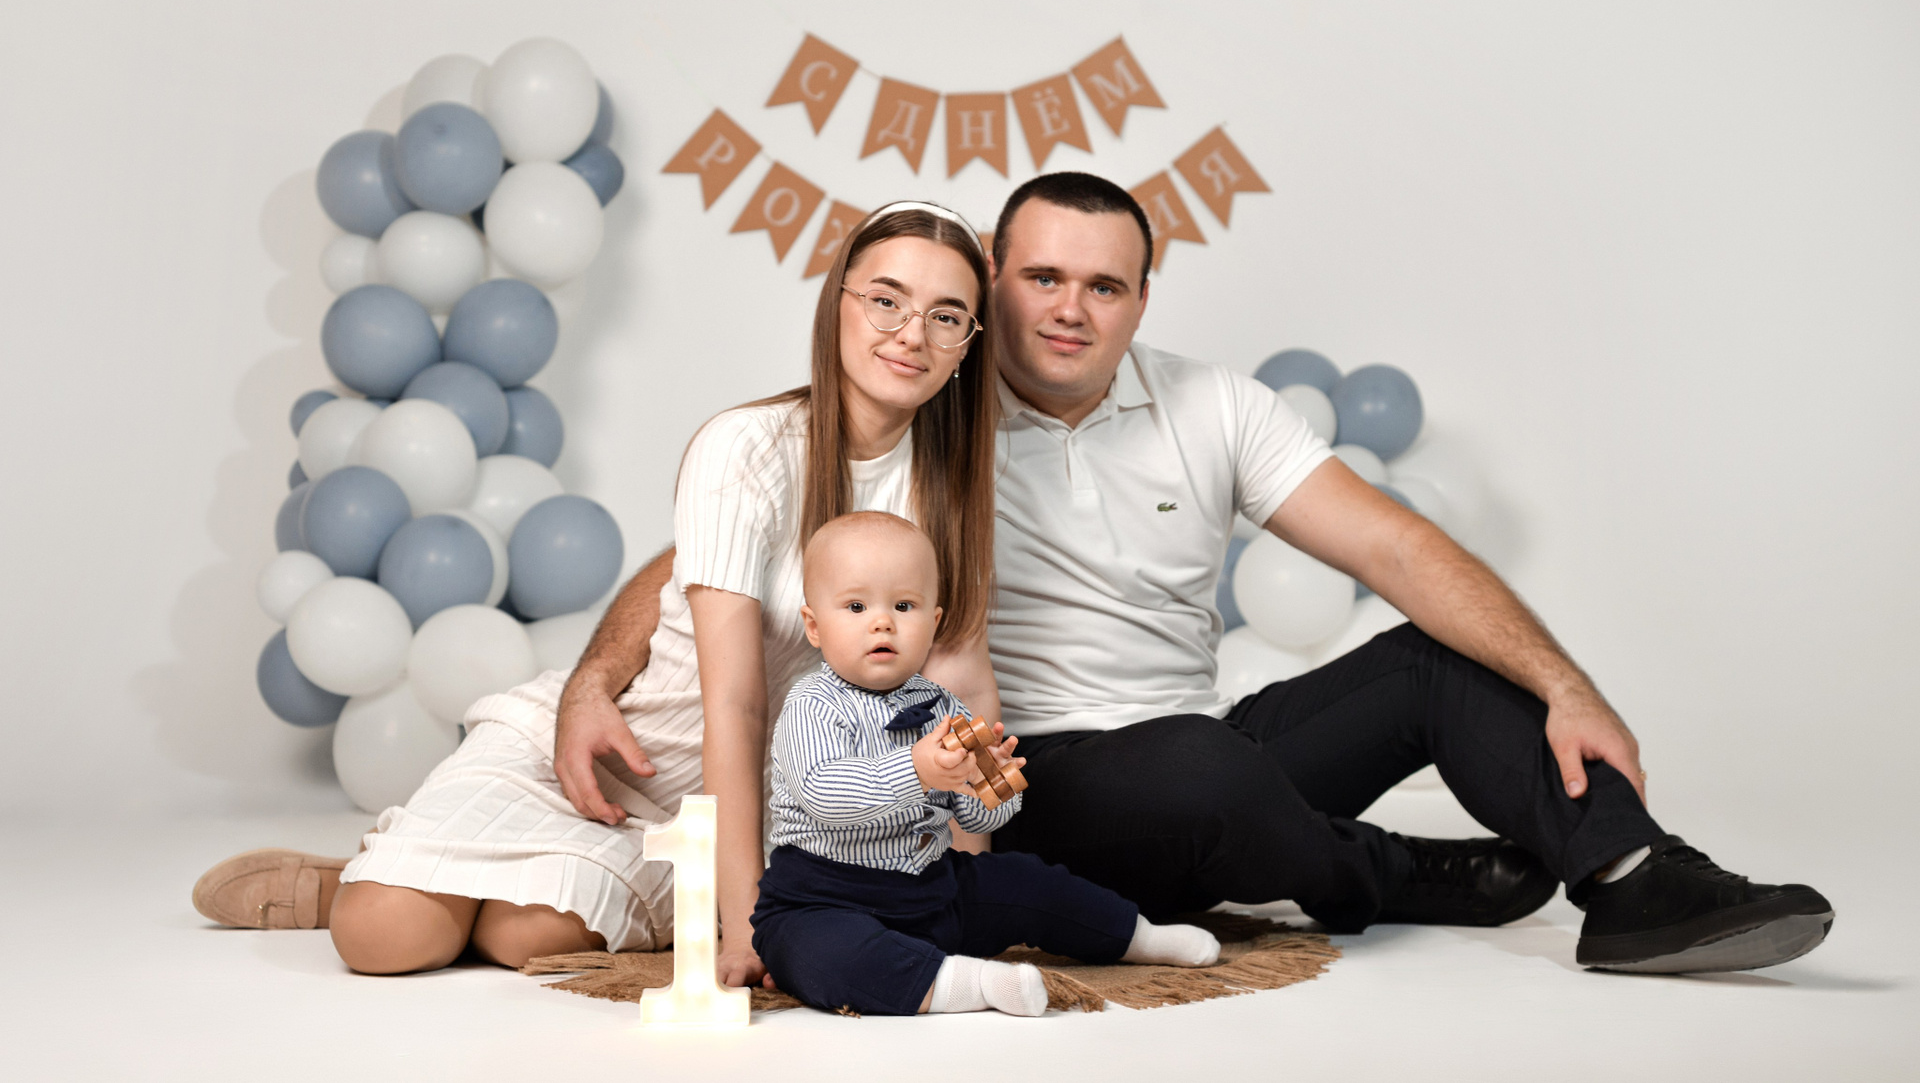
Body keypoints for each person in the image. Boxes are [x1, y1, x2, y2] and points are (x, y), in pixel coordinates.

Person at [554, 172, 1832, 978]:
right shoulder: (933, 404)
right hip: (1031, 773)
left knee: (1430, 665)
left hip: (1207, 749)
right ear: (991, 285)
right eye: (1040, 277)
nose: (1070, 308)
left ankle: (1634, 877)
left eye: (1103, 284)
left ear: (1141, 297)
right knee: (1200, 768)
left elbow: (1393, 545)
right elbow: (720, 547)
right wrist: (594, 675)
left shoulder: (1213, 405)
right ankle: (1380, 869)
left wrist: (1565, 682)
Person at [195, 202, 1007, 986]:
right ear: (838, 304)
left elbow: (961, 688)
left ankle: (450, 885)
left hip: (738, 805)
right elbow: (735, 703)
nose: (912, 334)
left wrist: (965, 892)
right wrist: (745, 923)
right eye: (886, 300)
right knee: (384, 937)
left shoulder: (949, 491)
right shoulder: (748, 449)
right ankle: (370, 878)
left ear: (969, 343)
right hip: (624, 745)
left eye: (946, 316)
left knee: (525, 936)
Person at [751, 510, 1219, 1016]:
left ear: (933, 623)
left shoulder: (942, 706)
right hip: (822, 897)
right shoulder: (812, 704)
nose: (882, 621)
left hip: (931, 886)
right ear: (815, 626)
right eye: (857, 606)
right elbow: (824, 793)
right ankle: (966, 984)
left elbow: (975, 820)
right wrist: (917, 770)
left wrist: (989, 785)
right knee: (825, 957)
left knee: (1027, 881)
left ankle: (1134, 935)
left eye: (904, 606)